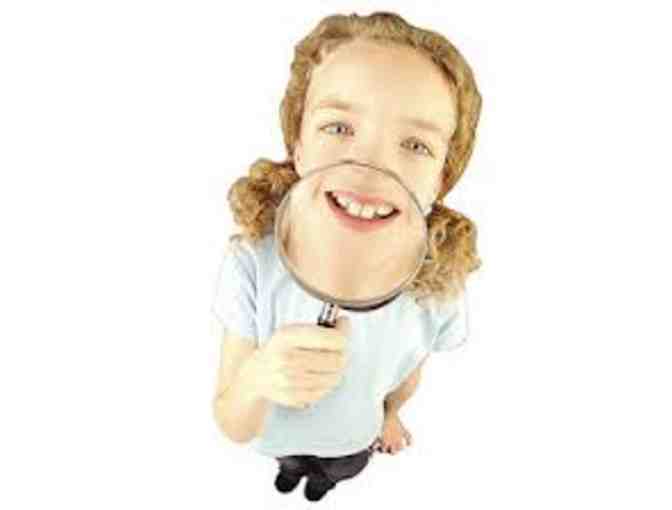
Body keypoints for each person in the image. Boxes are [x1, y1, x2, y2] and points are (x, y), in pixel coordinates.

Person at [211, 11, 482, 502]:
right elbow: (233, 421)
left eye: (415, 145)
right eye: (338, 127)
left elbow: (411, 367)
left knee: (331, 473)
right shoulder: (252, 262)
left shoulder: (438, 287)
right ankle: (291, 476)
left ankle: (320, 485)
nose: (371, 165)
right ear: (297, 145)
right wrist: (258, 376)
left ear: (442, 179)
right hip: (275, 437)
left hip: (353, 442)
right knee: (289, 467)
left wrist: (391, 414)